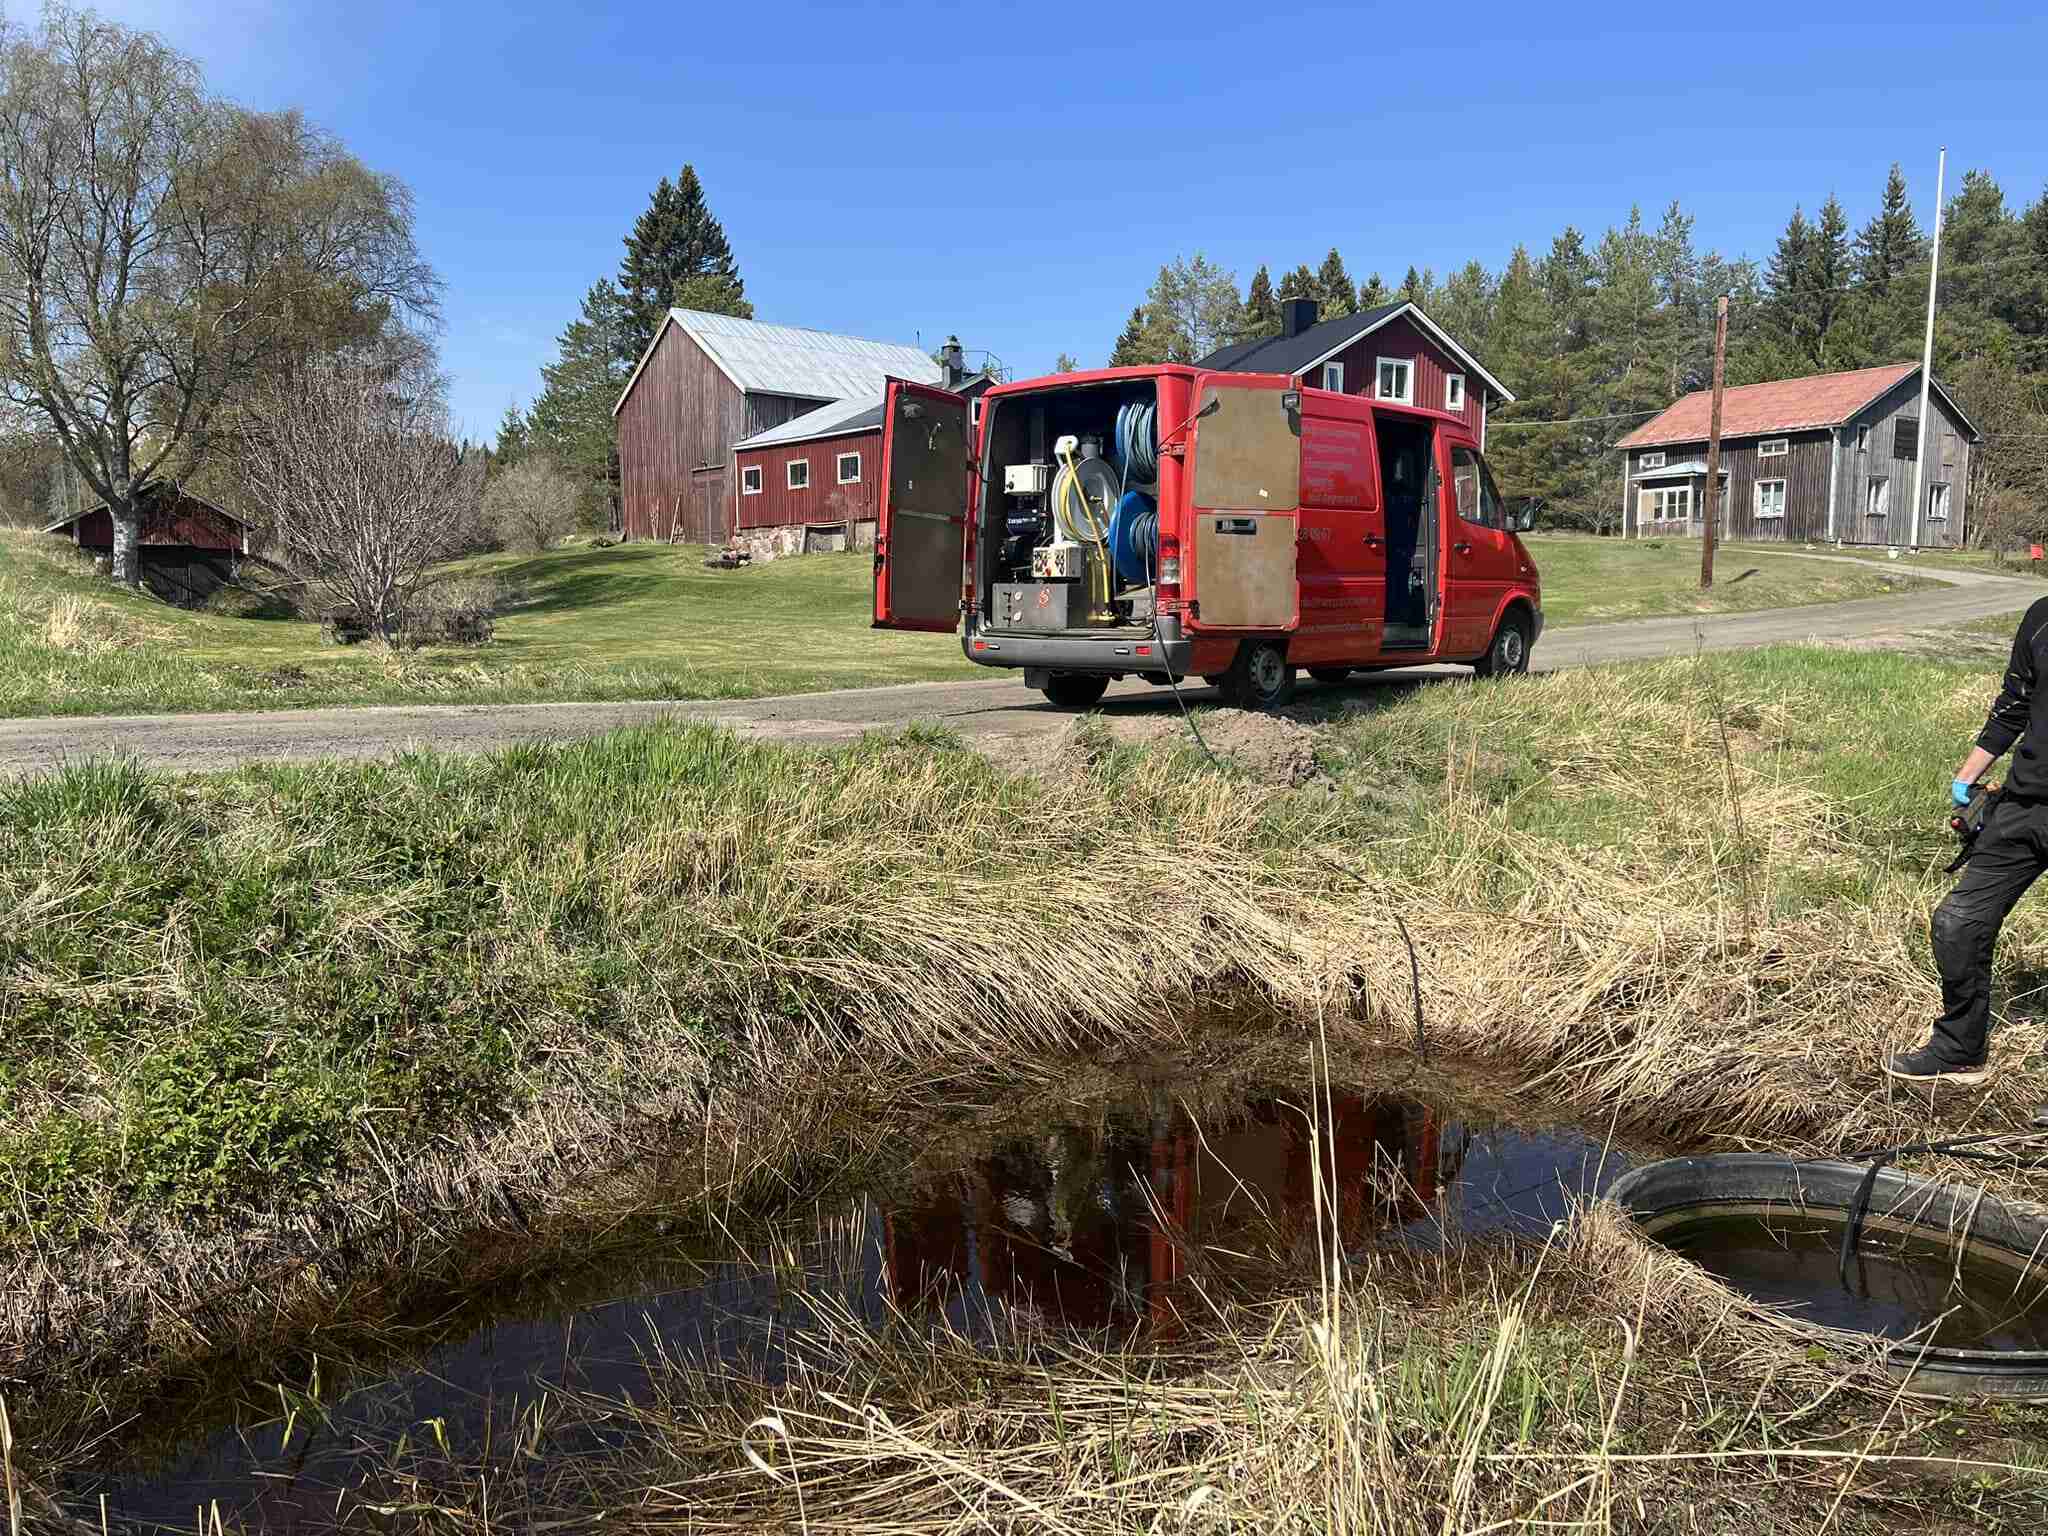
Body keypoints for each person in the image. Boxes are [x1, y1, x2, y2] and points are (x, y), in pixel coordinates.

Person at [1891, 600, 2048, 1134]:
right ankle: (1960, 1048)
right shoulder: (2041, 616)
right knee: (1958, 923)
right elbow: (2014, 704)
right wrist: (1969, 776)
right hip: (2026, 803)